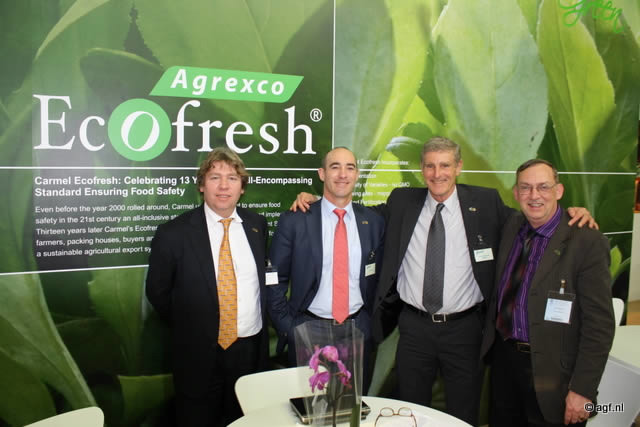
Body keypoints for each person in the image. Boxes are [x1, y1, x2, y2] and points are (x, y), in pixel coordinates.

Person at [292, 137, 594, 426]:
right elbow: (360, 216)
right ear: (422, 169)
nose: (438, 174)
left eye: (445, 165)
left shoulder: (485, 202)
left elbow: (530, 215)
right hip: (414, 329)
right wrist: (320, 203)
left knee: (463, 412)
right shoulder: (402, 201)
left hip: (465, 330)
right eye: (431, 166)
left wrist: (568, 214)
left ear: (458, 167)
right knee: (409, 411)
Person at [479, 159, 615, 427]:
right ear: (516, 193)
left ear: (559, 190)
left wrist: (583, 390)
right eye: (525, 187)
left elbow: (599, 325)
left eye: (543, 187)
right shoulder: (511, 226)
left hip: (555, 373)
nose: (534, 195)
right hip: (506, 363)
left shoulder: (586, 241)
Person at [146, 147, 269, 426]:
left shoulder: (257, 226)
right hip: (198, 354)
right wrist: (193, 325)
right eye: (215, 177)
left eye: (232, 178)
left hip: (248, 352)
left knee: (245, 421)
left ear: (242, 188)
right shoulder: (173, 233)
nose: (224, 186)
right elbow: (158, 292)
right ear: (202, 185)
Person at [267, 147, 385, 391]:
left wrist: (370, 324)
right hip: (309, 331)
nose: (342, 174)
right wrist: (289, 328)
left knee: (352, 404)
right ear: (322, 174)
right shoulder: (295, 220)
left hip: (357, 330)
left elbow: (382, 277)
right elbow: (274, 278)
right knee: (310, 405)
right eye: (335, 167)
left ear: (357, 174)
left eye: (350, 168)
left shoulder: (373, 222)